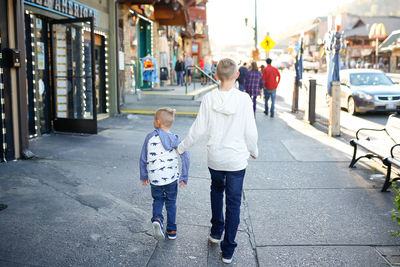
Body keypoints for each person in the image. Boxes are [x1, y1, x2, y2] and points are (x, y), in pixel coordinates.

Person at [177, 58, 258, 264]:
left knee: (216, 190)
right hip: (236, 160)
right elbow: (250, 131)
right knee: (233, 203)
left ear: (215, 76)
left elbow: (197, 129)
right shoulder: (244, 99)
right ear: (237, 75)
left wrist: (181, 147)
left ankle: (216, 231)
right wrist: (253, 149)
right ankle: (228, 249)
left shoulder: (209, 98)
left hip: (215, 158)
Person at [140, 108, 190, 240]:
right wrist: (184, 176)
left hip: (155, 179)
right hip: (171, 178)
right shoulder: (174, 139)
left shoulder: (149, 137)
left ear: (158, 121)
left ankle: (157, 218)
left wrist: (144, 175)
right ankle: (172, 231)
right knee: (171, 202)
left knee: (158, 199)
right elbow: (186, 156)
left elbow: (143, 158)